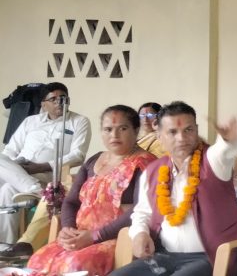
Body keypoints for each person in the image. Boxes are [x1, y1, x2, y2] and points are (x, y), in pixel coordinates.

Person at [110, 101, 237, 276]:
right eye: (172, 132)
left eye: (188, 130)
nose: (181, 138)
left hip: (210, 257)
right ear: (159, 136)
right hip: (164, 255)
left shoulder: (212, 162)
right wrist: (140, 234)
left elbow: (223, 152)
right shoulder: (153, 171)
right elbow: (142, 213)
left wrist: (227, 140)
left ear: (196, 130)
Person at [27, 105, 157, 275]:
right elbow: (71, 201)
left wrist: (94, 236)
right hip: (79, 236)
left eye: (123, 128)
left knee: (75, 266)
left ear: (136, 130)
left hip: (116, 239)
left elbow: (140, 210)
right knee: (36, 261)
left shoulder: (146, 163)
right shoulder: (94, 160)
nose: (114, 135)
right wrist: (68, 229)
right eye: (108, 129)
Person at [0, 82, 92, 245]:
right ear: (43, 104)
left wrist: (41, 166)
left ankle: (36, 189)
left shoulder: (79, 121)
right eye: (53, 99)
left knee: (7, 189)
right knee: (6, 180)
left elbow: (78, 155)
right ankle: (7, 245)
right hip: (20, 170)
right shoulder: (30, 121)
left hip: (48, 174)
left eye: (63, 98)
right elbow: (10, 150)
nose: (59, 102)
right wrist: (15, 167)